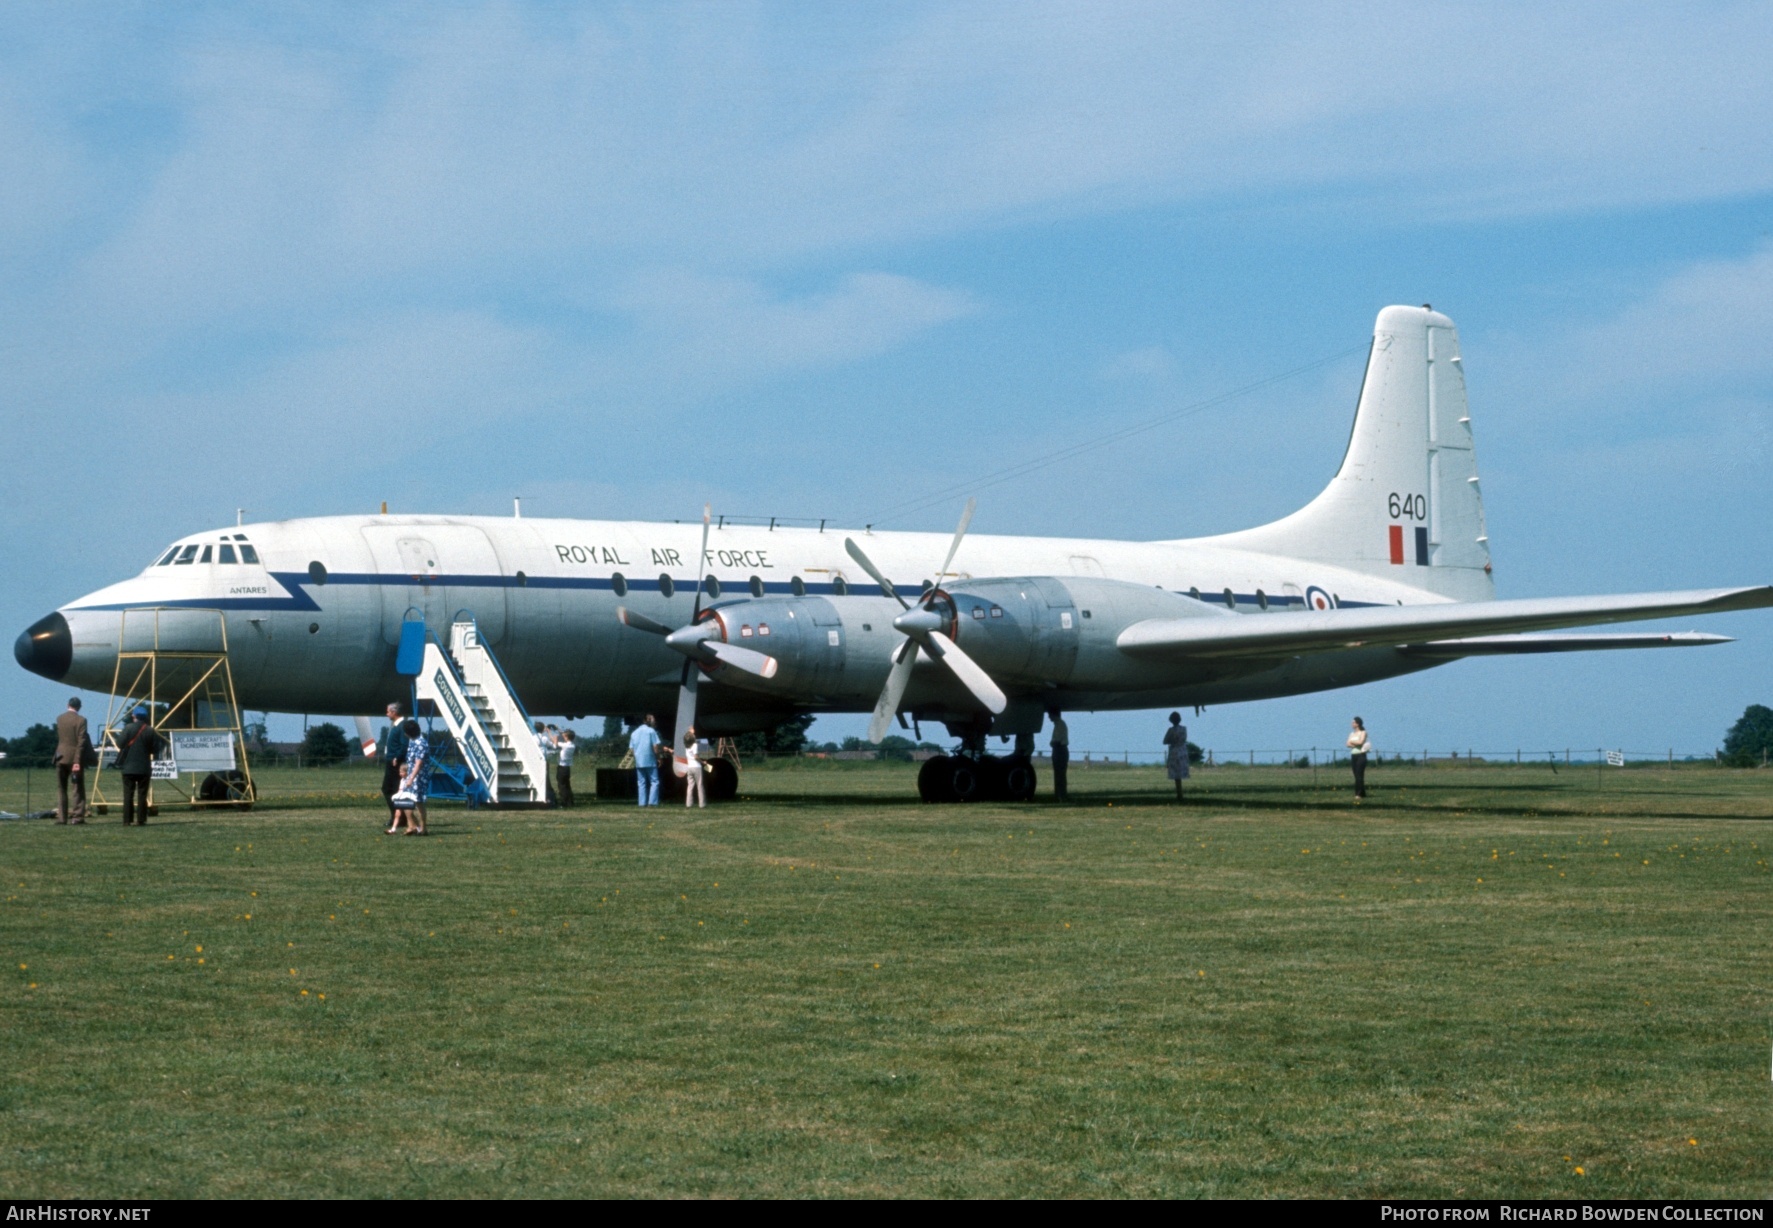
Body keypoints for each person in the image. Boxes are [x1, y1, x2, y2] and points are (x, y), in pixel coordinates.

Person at [113, 705, 164, 827]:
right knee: (142, 795)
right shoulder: (150, 730)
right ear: (145, 717)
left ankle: (127, 820)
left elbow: (119, 744)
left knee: (128, 794)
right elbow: (156, 749)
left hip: (128, 768)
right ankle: (141, 820)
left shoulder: (128, 728)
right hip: (144, 768)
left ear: (134, 716)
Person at [53, 697, 91, 824]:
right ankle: (77, 817)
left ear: (67, 704)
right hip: (75, 758)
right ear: (79, 707)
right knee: (77, 789)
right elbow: (81, 742)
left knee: (61, 789)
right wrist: (77, 761)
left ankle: (62, 818)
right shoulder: (81, 720)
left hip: (60, 756)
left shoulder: (59, 718)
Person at [393, 718, 430, 835]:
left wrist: (411, 779)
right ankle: (412, 826)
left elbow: (418, 764)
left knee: (418, 803)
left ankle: (423, 828)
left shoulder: (421, 744)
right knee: (404, 801)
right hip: (411, 776)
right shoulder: (412, 741)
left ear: (409, 733)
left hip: (418, 778)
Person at [378, 703, 409, 829]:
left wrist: (398, 757)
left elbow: (404, 744)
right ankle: (398, 817)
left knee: (390, 789)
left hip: (395, 763)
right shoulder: (396, 726)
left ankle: (399, 818)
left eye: (388, 712)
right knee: (392, 790)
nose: (387, 714)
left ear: (394, 712)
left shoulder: (402, 726)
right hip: (391, 761)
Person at [629, 715, 662, 807]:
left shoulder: (634, 733)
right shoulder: (651, 731)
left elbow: (632, 749)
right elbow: (655, 747)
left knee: (641, 783)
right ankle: (652, 802)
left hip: (639, 761)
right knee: (654, 781)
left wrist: (637, 757)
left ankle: (642, 803)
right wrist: (658, 757)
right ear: (644, 720)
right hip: (650, 759)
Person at [1163, 711, 1190, 802]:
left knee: (1176, 775)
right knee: (1180, 773)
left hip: (1174, 751)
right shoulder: (1184, 729)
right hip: (1183, 751)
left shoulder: (1171, 730)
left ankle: (1179, 793)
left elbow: (1165, 741)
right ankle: (1180, 793)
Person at [1346, 716, 1371, 800]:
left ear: (1357, 724)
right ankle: (1362, 792)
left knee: (1359, 775)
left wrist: (1352, 742)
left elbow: (1361, 742)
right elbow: (1347, 744)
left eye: (1353, 722)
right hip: (1354, 755)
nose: (1352, 724)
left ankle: (1358, 793)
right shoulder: (1351, 734)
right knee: (1356, 775)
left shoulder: (1363, 732)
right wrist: (1355, 743)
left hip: (1361, 755)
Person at [1048, 708, 1070, 800]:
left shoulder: (1060, 725)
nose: (1049, 717)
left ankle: (1061, 795)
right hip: (1059, 749)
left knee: (1060, 773)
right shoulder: (1059, 724)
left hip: (1060, 750)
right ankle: (1059, 794)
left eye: (1050, 715)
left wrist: (1052, 743)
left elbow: (1057, 740)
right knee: (1059, 773)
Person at [535, 722, 559, 805]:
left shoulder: (532, 737)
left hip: (535, 760)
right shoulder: (544, 738)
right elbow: (554, 746)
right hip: (543, 761)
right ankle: (550, 798)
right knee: (546, 780)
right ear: (543, 729)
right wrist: (551, 734)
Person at [682, 728, 705, 809]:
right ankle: (702, 804)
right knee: (700, 785)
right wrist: (702, 762)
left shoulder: (686, 747)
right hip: (696, 767)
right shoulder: (695, 745)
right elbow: (696, 757)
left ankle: (688, 804)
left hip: (689, 767)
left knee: (690, 786)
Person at [556, 730, 576, 808]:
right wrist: (560, 731)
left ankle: (564, 802)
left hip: (562, 767)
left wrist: (550, 733)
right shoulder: (572, 745)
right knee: (567, 785)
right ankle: (570, 801)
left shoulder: (565, 745)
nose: (563, 737)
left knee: (562, 786)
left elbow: (555, 742)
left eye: (564, 736)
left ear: (567, 737)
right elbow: (565, 735)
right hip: (567, 768)